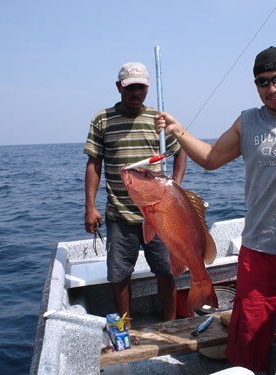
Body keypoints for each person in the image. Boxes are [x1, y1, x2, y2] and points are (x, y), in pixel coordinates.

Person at [155, 46, 276, 372]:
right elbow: (210, 158)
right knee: (249, 346)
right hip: (258, 254)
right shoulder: (247, 122)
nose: (271, 89)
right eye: (262, 82)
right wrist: (178, 131)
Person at [84, 61, 187, 326]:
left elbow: (181, 150)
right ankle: (125, 325)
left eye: (141, 87)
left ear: (148, 88)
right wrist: (90, 206)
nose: (136, 93)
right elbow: (94, 163)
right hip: (119, 215)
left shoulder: (159, 121)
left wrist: (174, 187)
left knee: (165, 270)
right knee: (119, 275)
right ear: (119, 87)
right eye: (130, 88)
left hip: (158, 214)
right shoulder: (102, 119)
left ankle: (171, 324)